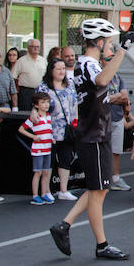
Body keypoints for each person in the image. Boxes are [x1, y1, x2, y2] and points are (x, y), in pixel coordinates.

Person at [49, 18, 130, 260]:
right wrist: (123, 51)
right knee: (98, 191)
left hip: (95, 131)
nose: (111, 48)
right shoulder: (88, 64)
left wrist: (116, 99)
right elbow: (103, 81)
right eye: (110, 44)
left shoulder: (87, 65)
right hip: (94, 134)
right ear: (100, 41)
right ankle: (100, 244)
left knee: (99, 189)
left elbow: (98, 95)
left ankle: (65, 225)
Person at [36, 58, 79, 201]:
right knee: (49, 161)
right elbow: (37, 107)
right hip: (49, 129)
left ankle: (64, 190)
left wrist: (75, 120)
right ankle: (46, 190)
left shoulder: (70, 84)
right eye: (58, 69)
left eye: (63, 69)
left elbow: (75, 104)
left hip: (67, 129)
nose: (62, 72)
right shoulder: (43, 87)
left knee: (65, 158)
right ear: (51, 71)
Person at [19, 91, 55, 205]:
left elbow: (48, 130)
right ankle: (35, 195)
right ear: (36, 105)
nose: (46, 105)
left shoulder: (48, 116)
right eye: (43, 102)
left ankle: (44, 193)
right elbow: (21, 129)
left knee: (45, 172)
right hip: (38, 149)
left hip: (47, 148)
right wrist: (33, 136)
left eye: (47, 102)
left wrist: (52, 138)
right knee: (38, 172)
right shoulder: (34, 117)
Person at [106, 71, 133, 191]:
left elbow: (124, 98)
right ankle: (104, 178)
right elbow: (101, 99)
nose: (110, 60)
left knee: (116, 150)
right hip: (103, 118)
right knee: (104, 150)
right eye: (107, 58)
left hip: (117, 117)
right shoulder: (99, 76)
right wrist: (115, 97)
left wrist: (111, 98)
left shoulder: (118, 77)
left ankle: (115, 178)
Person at [13, 39, 46, 112]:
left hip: (40, 91)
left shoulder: (43, 61)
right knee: (25, 113)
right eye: (33, 46)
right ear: (28, 47)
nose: (36, 48)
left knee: (40, 113)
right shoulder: (21, 61)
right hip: (25, 92)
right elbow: (13, 77)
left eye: (37, 47)